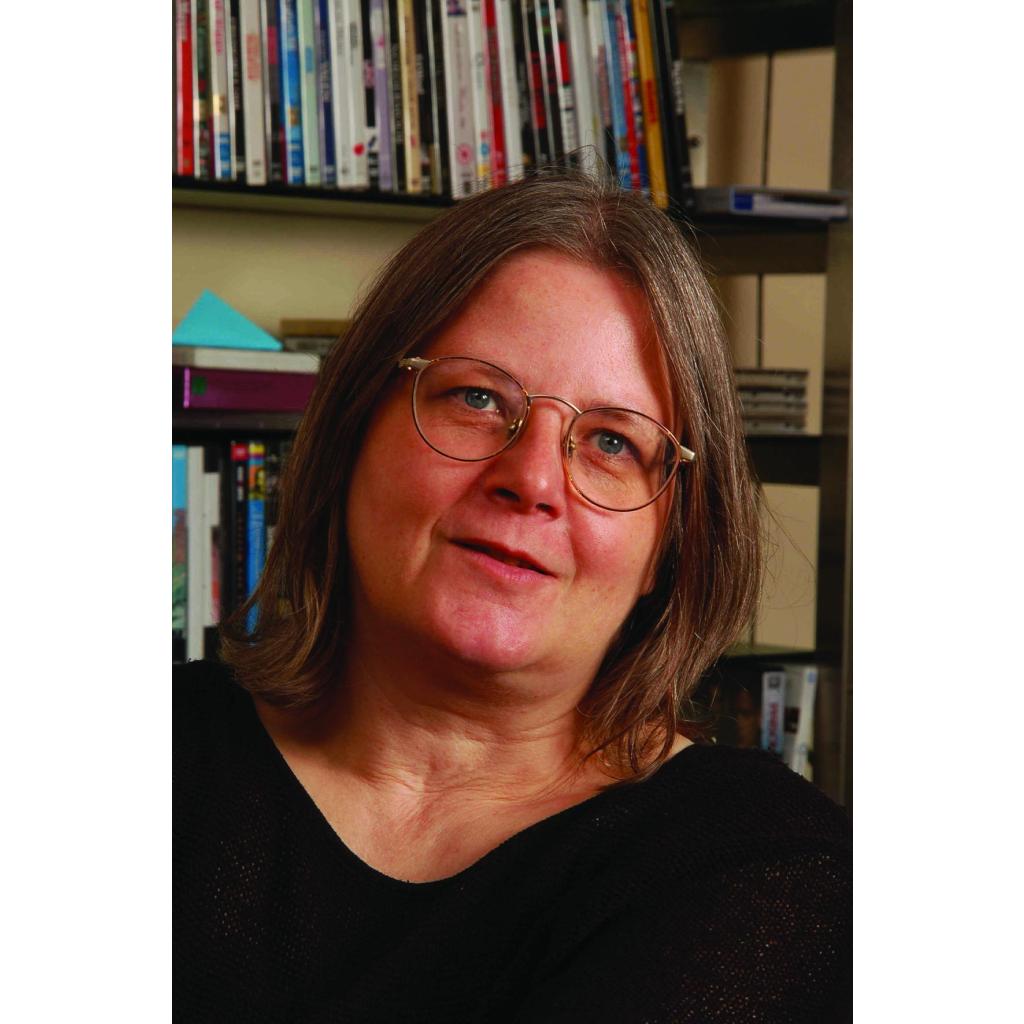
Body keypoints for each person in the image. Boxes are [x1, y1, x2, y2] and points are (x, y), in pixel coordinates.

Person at [174, 169, 852, 1023]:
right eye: (477, 398)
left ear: (671, 544)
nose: (531, 480)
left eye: (612, 443)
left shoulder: (763, 863)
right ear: (352, 431)